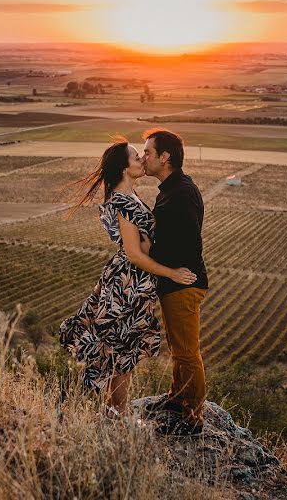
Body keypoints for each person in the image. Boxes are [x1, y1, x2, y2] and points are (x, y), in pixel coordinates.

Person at [58, 138, 196, 420]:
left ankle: (112, 416)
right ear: (123, 167)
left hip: (134, 284)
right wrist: (171, 272)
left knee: (123, 353)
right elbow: (134, 254)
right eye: (136, 157)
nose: (142, 160)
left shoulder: (129, 196)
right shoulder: (122, 201)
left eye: (143, 155)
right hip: (127, 285)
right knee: (118, 355)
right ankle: (114, 418)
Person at [140, 128, 209, 436]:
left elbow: (189, 244)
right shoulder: (173, 188)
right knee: (178, 347)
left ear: (164, 157)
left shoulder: (179, 193)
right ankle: (177, 399)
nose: (143, 157)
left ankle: (193, 420)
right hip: (175, 283)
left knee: (186, 352)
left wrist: (148, 251)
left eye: (148, 152)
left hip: (183, 284)